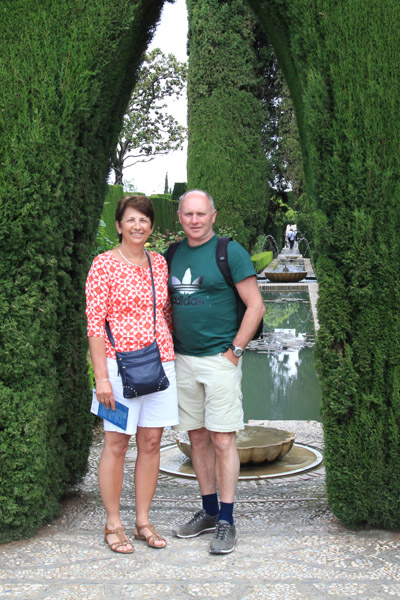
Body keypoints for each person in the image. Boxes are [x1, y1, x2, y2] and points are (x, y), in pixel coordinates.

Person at [168, 190, 265, 554]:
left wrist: (234, 353)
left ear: (213, 215)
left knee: (223, 439)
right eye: (188, 214)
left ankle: (227, 519)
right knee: (197, 440)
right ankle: (208, 511)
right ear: (180, 217)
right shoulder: (173, 254)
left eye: (201, 214)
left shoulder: (230, 251)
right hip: (182, 360)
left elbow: (255, 306)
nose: (195, 220)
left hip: (219, 360)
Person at [85, 195, 179, 554]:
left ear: (151, 226)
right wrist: (101, 378)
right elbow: (95, 325)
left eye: (144, 220)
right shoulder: (103, 265)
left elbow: (165, 314)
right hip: (114, 368)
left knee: (151, 443)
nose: (138, 226)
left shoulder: (158, 263)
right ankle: (113, 523)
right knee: (116, 443)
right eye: (131, 220)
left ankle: (142, 520)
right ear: (119, 224)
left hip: (159, 364)